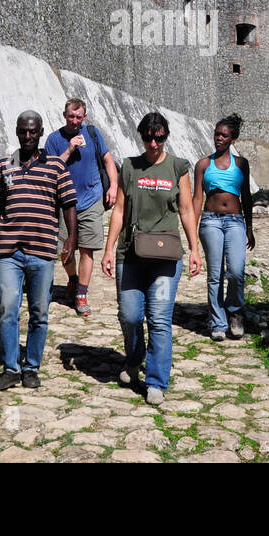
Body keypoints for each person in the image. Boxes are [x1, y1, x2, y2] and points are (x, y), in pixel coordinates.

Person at [100, 112, 200, 405]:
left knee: (159, 319)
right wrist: (108, 249)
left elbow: (185, 210)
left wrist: (194, 249)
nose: (154, 143)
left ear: (166, 136)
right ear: (141, 136)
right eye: (148, 137)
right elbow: (119, 210)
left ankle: (156, 380)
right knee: (129, 315)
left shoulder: (177, 167)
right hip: (130, 253)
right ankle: (134, 358)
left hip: (165, 256)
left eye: (159, 137)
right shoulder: (129, 167)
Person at [0, 110, 77, 391]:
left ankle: (31, 367)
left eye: (33, 132)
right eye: (23, 131)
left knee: (39, 312)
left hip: (42, 251)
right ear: (17, 132)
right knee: (8, 309)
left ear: (40, 134)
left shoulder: (56, 168)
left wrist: (71, 238)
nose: (28, 136)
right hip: (9, 252)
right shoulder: (3, 167)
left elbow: (69, 205)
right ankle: (11, 368)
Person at [43, 98, 118, 317]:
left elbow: (107, 160)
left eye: (79, 117)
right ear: (64, 115)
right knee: (65, 249)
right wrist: (69, 149)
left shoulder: (93, 134)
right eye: (71, 116)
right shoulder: (54, 139)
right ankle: (72, 279)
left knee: (88, 248)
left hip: (92, 199)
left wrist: (113, 186)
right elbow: (50, 171)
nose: (75, 121)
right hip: (65, 203)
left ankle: (81, 294)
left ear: (84, 117)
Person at [192, 114, 255, 341]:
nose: (218, 138)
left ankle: (235, 313)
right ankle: (218, 322)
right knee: (215, 274)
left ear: (233, 139)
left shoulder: (241, 164)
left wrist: (250, 226)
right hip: (210, 220)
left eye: (224, 135)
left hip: (236, 221)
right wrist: (192, 234)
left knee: (236, 271)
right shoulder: (202, 165)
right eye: (217, 134)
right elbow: (197, 199)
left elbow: (246, 196)